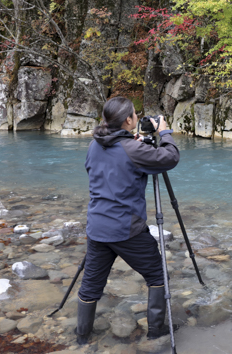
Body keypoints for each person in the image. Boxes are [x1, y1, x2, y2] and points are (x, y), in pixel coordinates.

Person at [76, 96, 180, 345]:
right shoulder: (132, 149)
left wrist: (132, 143)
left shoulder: (95, 144)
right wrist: (164, 132)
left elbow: (110, 163)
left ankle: (81, 337)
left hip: (97, 227)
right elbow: (170, 157)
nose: (137, 116)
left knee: (91, 285)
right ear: (127, 120)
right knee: (157, 275)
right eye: (135, 114)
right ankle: (156, 331)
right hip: (126, 229)